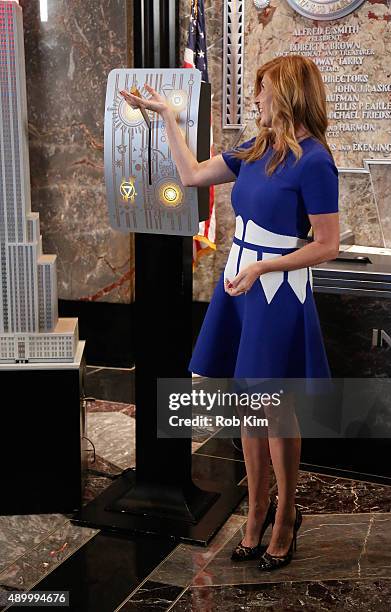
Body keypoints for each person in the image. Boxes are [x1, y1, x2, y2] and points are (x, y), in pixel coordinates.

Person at [119, 54, 339, 572]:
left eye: (261, 89)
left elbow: (327, 244)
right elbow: (193, 175)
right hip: (239, 286)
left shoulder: (315, 160)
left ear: (284, 93)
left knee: (274, 409)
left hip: (277, 292)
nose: (255, 99)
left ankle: (285, 514)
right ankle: (256, 507)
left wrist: (264, 268)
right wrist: (166, 117)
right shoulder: (255, 148)